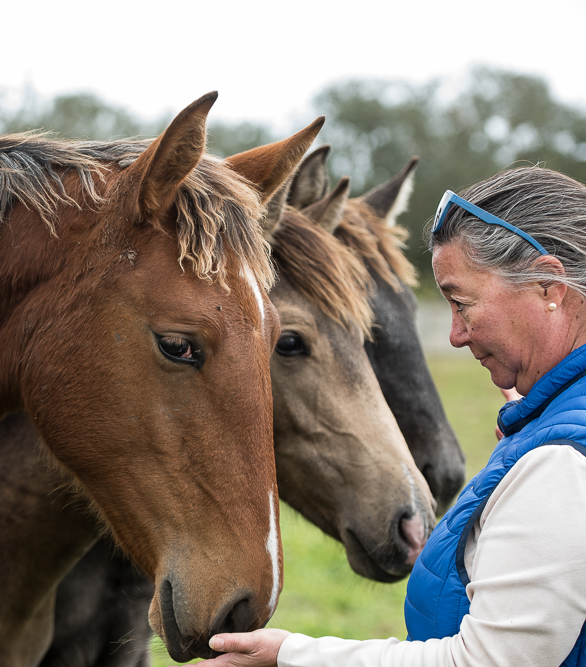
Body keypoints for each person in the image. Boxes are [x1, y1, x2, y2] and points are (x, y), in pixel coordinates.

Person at [199, 166, 586, 667]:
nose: (454, 336)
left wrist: (291, 655)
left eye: (462, 303)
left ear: (549, 288)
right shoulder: (556, 439)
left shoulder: (562, 464)